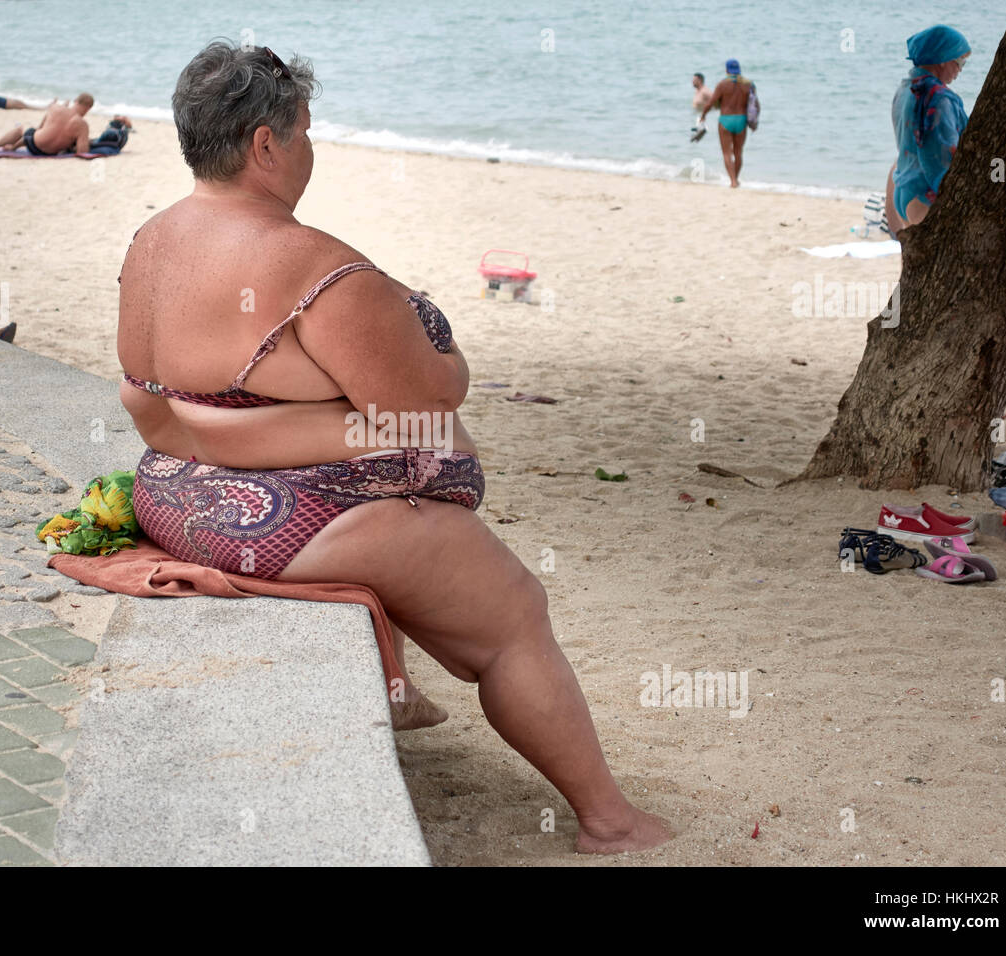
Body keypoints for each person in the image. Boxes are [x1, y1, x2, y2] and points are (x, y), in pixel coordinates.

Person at [116, 40, 672, 854]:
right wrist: (449, 354)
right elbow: (424, 404)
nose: (310, 149)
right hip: (290, 526)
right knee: (515, 616)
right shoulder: (321, 272)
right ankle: (610, 822)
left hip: (176, 495)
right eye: (303, 132)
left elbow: (145, 389)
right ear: (266, 145)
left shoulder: (151, 244)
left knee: (385, 488)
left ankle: (400, 683)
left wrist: (254, 429)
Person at [885, 25, 971, 231]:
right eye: (959, 62)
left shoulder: (905, 88)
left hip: (903, 188)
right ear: (943, 59)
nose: (960, 69)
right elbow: (941, 159)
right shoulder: (938, 98)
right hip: (925, 194)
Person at [0, 93, 94, 155]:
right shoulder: (83, 125)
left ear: (75, 101)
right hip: (52, 152)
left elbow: (40, 128)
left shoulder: (55, 108)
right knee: (34, 133)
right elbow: (82, 152)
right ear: (88, 108)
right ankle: (13, 147)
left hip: (34, 146)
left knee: (23, 129)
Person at [699, 58, 752, 188]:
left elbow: (710, 103)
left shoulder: (722, 84)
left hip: (726, 120)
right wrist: (753, 122)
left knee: (727, 153)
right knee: (738, 152)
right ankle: (736, 179)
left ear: (727, 70)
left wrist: (703, 115)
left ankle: (733, 181)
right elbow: (755, 105)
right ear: (739, 69)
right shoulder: (748, 85)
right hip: (741, 120)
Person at [690, 72, 712, 142]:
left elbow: (715, 101)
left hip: (703, 116)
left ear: (700, 81)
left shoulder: (705, 91)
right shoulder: (698, 91)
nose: (692, 82)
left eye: (694, 80)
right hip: (697, 116)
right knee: (694, 140)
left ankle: (703, 129)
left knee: (695, 139)